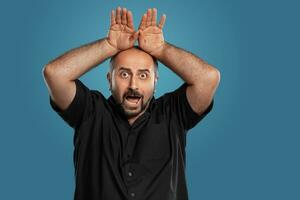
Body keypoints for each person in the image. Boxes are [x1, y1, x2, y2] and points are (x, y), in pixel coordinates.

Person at [42, 7, 220, 200]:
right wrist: (109, 45)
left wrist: (161, 49)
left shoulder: (173, 114)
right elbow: (55, 73)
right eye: (124, 74)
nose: (133, 85)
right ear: (110, 79)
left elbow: (208, 78)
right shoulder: (90, 112)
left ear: (155, 81)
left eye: (143, 75)